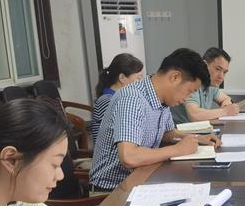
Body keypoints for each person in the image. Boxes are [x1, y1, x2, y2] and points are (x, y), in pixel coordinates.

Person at [90, 48, 219, 192]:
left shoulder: (162, 99)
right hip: (112, 191)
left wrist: (197, 139)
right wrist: (177, 149)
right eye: (189, 91)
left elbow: (167, 133)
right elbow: (129, 157)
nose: (186, 99)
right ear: (175, 77)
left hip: (142, 179)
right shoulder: (132, 98)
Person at [171, 47, 239, 124]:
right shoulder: (192, 82)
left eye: (224, 72)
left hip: (197, 129)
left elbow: (225, 99)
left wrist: (227, 106)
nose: (221, 77)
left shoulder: (211, 84)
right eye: (218, 69)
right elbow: (194, 115)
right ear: (204, 65)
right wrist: (225, 111)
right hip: (179, 130)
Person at [92, 53, 144, 143]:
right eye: (138, 78)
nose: (141, 83)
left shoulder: (119, 98)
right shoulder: (107, 101)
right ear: (122, 78)